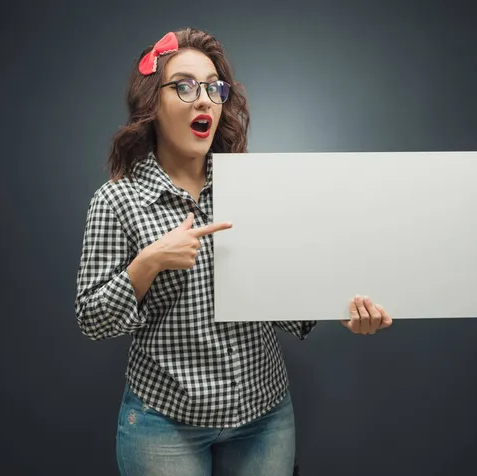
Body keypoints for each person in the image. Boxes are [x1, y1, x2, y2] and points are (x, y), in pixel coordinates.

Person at [74, 27, 393, 476]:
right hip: (163, 425)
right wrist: (148, 263)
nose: (203, 98)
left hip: (264, 418)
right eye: (184, 85)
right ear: (152, 103)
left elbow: (284, 300)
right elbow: (92, 319)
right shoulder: (116, 200)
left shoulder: (255, 189)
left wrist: (338, 302)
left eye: (213, 87)